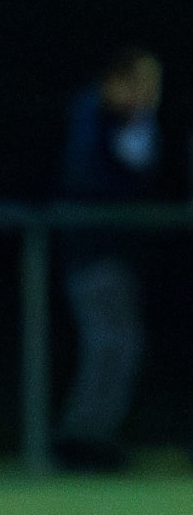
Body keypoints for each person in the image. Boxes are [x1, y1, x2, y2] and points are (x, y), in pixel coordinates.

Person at [53, 48, 166, 472]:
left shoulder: (127, 122)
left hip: (113, 254)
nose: (150, 95)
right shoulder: (92, 116)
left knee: (118, 346)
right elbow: (93, 179)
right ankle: (80, 441)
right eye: (143, 85)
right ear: (118, 82)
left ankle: (89, 439)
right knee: (111, 345)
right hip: (93, 254)